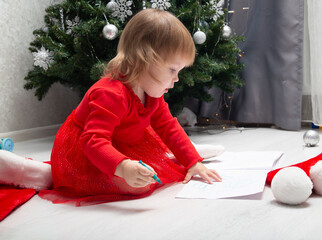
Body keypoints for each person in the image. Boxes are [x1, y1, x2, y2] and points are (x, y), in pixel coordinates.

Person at [38, 8, 221, 205]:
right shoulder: (110, 94)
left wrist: (193, 162)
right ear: (144, 59)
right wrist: (123, 166)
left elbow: (168, 127)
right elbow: (93, 141)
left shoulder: (151, 94)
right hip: (88, 148)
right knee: (139, 184)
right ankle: (39, 173)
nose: (176, 79)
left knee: (152, 171)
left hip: (122, 139)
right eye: (172, 69)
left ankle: (187, 153)